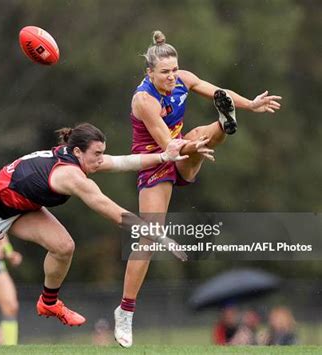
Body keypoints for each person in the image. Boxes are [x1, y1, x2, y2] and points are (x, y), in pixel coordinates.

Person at [0, 122, 208, 348]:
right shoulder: (71, 176)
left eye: (101, 152)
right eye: (96, 154)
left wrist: (164, 155)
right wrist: (154, 233)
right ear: (78, 152)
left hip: (22, 208)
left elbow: (121, 162)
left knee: (63, 246)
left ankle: (48, 301)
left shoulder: (79, 158)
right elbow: (109, 209)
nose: (100, 159)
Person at [113, 30, 282, 348]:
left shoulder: (183, 79)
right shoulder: (144, 99)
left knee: (210, 130)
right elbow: (168, 145)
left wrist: (250, 104)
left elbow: (221, 91)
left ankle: (224, 122)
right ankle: (125, 311)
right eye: (165, 73)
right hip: (155, 161)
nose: (172, 77)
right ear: (149, 73)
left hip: (186, 147)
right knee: (149, 236)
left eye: (174, 70)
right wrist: (192, 149)